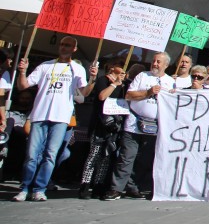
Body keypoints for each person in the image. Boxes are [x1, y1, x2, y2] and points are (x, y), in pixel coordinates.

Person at [12, 36, 98, 201]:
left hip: (61, 117)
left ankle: (40, 188)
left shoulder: (77, 69)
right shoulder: (45, 65)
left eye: (68, 45)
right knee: (31, 154)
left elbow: (84, 93)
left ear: (74, 49)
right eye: (62, 45)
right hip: (40, 115)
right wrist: (22, 71)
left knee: (51, 155)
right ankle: (25, 188)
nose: (64, 48)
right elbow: (23, 86)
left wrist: (92, 79)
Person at [104, 51, 176, 200]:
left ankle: (133, 187)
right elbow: (129, 96)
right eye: (154, 61)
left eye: (158, 62)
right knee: (126, 157)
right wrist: (148, 92)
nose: (155, 64)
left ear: (166, 65)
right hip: (134, 124)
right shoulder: (142, 76)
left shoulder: (170, 82)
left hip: (155, 128)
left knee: (144, 160)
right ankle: (116, 188)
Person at [77, 63, 128, 199]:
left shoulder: (123, 84)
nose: (124, 68)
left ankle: (99, 186)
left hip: (113, 125)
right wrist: (114, 84)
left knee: (106, 157)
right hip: (100, 123)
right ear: (112, 67)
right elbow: (101, 96)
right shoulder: (103, 80)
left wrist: (121, 83)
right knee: (94, 154)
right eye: (121, 65)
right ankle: (85, 186)